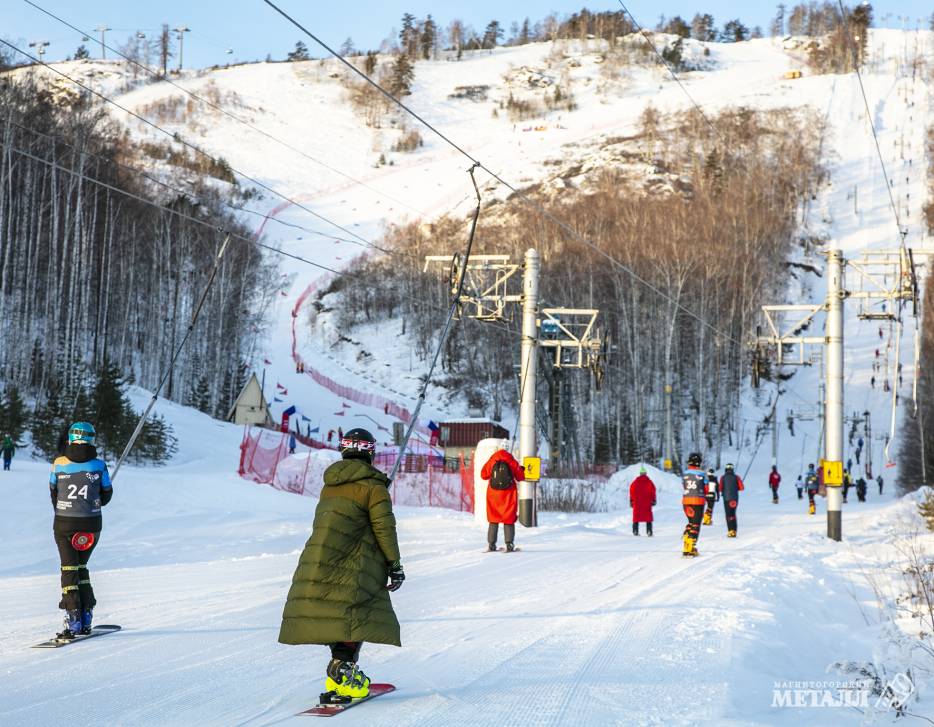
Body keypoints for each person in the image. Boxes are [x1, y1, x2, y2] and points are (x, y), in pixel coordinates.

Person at [278, 428, 404, 701]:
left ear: (344, 449)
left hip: (321, 558)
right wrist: (395, 564)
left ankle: (340, 671)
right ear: (370, 452)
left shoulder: (330, 485)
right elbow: (384, 529)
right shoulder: (373, 486)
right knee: (356, 610)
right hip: (353, 562)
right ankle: (342, 670)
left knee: (340, 612)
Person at [50, 422, 113, 638]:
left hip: (64, 524)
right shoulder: (99, 465)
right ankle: (86, 616)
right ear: (91, 439)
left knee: (69, 569)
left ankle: (73, 620)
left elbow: (53, 493)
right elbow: (106, 497)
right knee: (81, 566)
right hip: (92, 525)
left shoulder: (58, 463)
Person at [480, 448, 524, 552]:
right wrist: (521, 469)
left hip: (493, 495)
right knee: (509, 518)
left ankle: (491, 545)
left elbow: (483, 475)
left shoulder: (492, 460)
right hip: (509, 494)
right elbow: (520, 477)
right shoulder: (511, 460)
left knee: (493, 518)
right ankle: (509, 544)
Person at [681, 452, 708, 556]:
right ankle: (691, 547)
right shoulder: (702, 474)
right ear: (699, 463)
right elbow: (706, 489)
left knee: (691, 522)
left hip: (686, 501)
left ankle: (687, 544)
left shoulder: (685, 474)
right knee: (696, 524)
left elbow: (684, 486)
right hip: (698, 501)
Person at [718, 463, 744, 537]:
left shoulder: (723, 477)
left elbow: (719, 488)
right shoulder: (736, 477)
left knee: (728, 515)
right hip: (735, 498)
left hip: (726, 498)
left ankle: (730, 530)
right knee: (733, 514)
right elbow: (742, 488)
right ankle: (734, 530)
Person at [629, 465, 656, 536]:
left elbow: (631, 491)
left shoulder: (635, 482)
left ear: (640, 474)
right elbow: (653, 491)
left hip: (637, 503)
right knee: (648, 518)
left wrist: (631, 500)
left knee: (636, 518)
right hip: (647, 503)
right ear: (646, 474)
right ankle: (649, 531)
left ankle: (635, 531)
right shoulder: (650, 482)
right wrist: (653, 500)